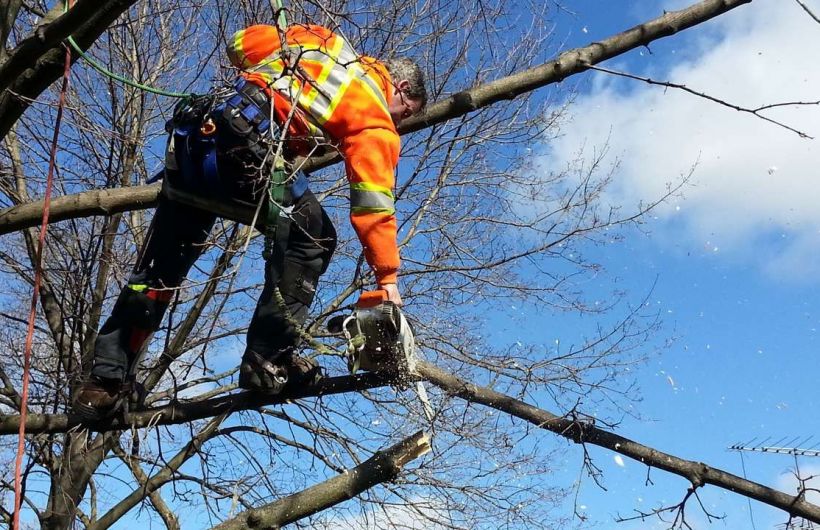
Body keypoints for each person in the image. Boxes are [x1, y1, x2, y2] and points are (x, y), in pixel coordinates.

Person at [72, 23, 427, 419]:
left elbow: (238, 45)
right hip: (244, 154)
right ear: (398, 88)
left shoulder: (321, 41)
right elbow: (373, 207)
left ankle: (102, 384)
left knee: (162, 266)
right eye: (405, 114)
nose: (398, 123)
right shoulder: (374, 113)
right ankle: (268, 358)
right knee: (315, 236)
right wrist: (387, 280)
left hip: (195, 142)